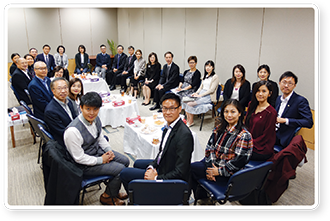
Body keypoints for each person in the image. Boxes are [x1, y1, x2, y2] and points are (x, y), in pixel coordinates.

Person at [64, 92, 130, 205]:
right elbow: (78, 158)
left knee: (126, 161)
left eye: (95, 109)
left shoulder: (96, 119)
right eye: (88, 109)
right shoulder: (72, 131)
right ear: (81, 108)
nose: (91, 113)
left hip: (96, 152)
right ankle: (107, 196)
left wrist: (108, 150)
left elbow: (100, 138)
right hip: (83, 165)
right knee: (120, 169)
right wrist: (101, 160)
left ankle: (113, 190)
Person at [120, 93, 194, 194]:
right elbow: (161, 153)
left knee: (124, 173)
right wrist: (152, 167)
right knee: (137, 163)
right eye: (164, 108)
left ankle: (142, 197)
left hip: (170, 178)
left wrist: (155, 177)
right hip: (163, 165)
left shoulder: (184, 135)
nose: (167, 112)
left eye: (172, 108)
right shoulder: (169, 127)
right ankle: (144, 192)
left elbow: (181, 171)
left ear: (179, 109)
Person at [190, 99, 253, 201]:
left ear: (240, 113)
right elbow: (209, 148)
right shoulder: (220, 128)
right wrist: (211, 167)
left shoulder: (244, 135)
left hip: (228, 172)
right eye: (226, 111)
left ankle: (202, 198)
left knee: (191, 169)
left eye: (233, 112)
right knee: (191, 167)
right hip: (214, 164)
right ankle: (203, 197)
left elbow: (239, 161)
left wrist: (218, 172)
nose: (229, 115)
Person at [275, 71, 313, 147]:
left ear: (294, 86)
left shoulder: (300, 101)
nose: (286, 85)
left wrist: (285, 120)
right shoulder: (278, 98)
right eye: (284, 82)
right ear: (279, 83)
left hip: (283, 137)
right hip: (273, 132)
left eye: (290, 83)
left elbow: (308, 122)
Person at [245, 81, 277, 161]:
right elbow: (246, 125)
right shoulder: (251, 105)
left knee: (234, 151)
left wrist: (248, 143)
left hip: (261, 148)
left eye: (264, 91)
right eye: (258, 91)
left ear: (269, 94)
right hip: (248, 142)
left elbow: (266, 137)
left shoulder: (271, 112)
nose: (260, 94)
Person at [183, 60, 219, 127]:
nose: (208, 68)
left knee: (190, 104)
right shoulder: (205, 76)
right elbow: (200, 87)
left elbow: (211, 90)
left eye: (210, 66)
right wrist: (195, 93)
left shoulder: (215, 77)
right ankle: (190, 121)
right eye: (206, 66)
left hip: (208, 96)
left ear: (213, 67)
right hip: (201, 94)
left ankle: (190, 121)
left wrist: (200, 95)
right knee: (186, 101)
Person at [44, 78, 77, 147]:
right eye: (59, 88)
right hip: (66, 141)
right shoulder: (50, 111)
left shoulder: (69, 102)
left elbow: (75, 119)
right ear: (53, 91)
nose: (63, 91)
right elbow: (62, 132)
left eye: (65, 88)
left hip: (74, 132)